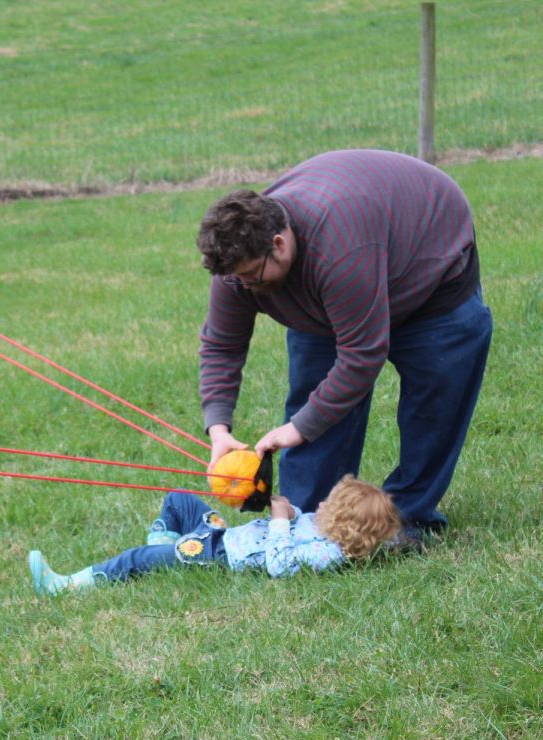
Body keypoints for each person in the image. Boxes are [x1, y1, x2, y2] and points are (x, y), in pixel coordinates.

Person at [196, 149, 493, 539]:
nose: (246, 286)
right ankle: (303, 519)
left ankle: (405, 517)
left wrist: (297, 429)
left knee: (435, 399)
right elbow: (222, 346)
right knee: (315, 395)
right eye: (238, 279)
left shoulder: (338, 251)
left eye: (252, 276)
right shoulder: (239, 265)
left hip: (430, 270)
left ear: (279, 243)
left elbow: (362, 356)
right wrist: (219, 429)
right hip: (337, 285)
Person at [29, 476, 402, 595]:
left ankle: (64, 586)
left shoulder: (328, 553)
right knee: (179, 500)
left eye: (330, 505)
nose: (321, 504)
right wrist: (290, 514)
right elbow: (295, 526)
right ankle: (162, 554)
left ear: (345, 524)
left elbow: (281, 564)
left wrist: (279, 521)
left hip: (217, 555)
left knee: (134, 560)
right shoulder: (321, 527)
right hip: (221, 535)